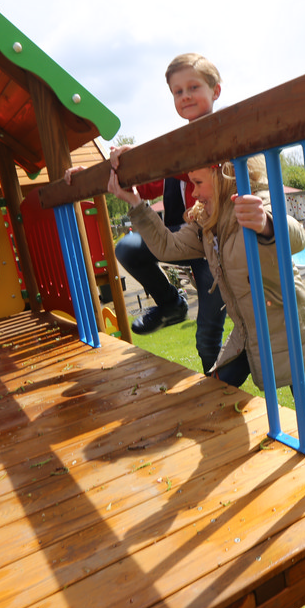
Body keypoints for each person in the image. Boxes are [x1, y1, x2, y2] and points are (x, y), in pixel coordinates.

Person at [109, 156, 305, 424]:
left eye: (198, 183)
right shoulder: (208, 223)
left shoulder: (253, 202)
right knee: (215, 389)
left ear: (222, 178)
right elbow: (167, 247)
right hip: (248, 334)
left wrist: (265, 223)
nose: (193, 193)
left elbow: (296, 236)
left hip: (289, 332)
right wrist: (136, 203)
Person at [67, 53, 227, 376]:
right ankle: (170, 303)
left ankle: (219, 386)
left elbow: (211, 168)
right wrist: (92, 176)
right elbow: (139, 179)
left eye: (193, 87)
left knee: (207, 337)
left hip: (214, 242)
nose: (185, 96)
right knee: (128, 247)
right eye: (177, 92)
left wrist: (151, 157)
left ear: (216, 91)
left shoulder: (222, 135)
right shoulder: (174, 150)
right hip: (183, 239)